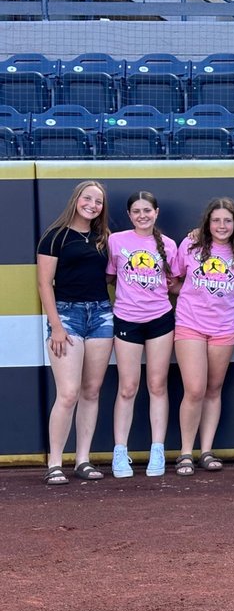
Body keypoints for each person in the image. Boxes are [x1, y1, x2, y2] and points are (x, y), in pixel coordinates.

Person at [35, 181, 113, 486]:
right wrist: (56, 325)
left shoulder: (103, 238)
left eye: (98, 201)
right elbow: (44, 284)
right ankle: (55, 462)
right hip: (67, 316)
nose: (92, 205)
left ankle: (82, 459)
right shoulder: (54, 236)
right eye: (88, 198)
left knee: (91, 392)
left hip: (101, 315)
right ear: (76, 199)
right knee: (68, 393)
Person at [171, 198, 234, 476]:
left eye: (227, 220)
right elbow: (174, 280)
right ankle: (185, 453)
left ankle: (205, 450)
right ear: (207, 222)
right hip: (190, 324)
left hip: (224, 328)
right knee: (194, 389)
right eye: (216, 220)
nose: (221, 225)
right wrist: (191, 294)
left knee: (213, 390)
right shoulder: (191, 246)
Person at [107, 191, 176, 479]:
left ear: (156, 212)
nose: (142, 215)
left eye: (147, 210)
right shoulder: (116, 241)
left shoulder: (169, 245)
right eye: (136, 211)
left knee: (158, 385)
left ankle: (157, 449)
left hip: (160, 319)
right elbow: (110, 277)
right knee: (128, 387)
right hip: (127, 320)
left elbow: (174, 283)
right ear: (129, 215)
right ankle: (120, 451)